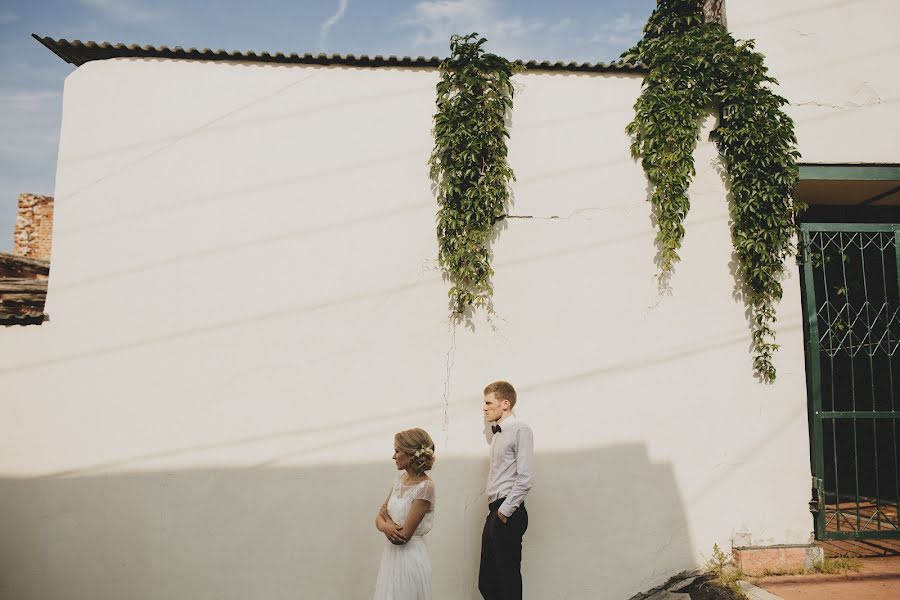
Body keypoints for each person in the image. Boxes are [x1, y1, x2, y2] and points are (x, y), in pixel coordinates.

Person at [479, 381, 534, 600]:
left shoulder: (520, 430)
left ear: (505, 403)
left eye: (488, 402)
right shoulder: (498, 434)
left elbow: (526, 477)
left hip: (507, 512)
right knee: (488, 581)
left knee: (507, 582)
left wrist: (504, 512)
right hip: (496, 510)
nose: (484, 408)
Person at [373, 428, 437, 600]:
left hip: (410, 560)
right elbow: (377, 518)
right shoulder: (399, 480)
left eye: (397, 451)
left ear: (410, 454)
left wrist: (385, 521)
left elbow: (403, 536)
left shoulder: (425, 487)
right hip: (390, 558)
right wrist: (386, 523)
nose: (393, 456)